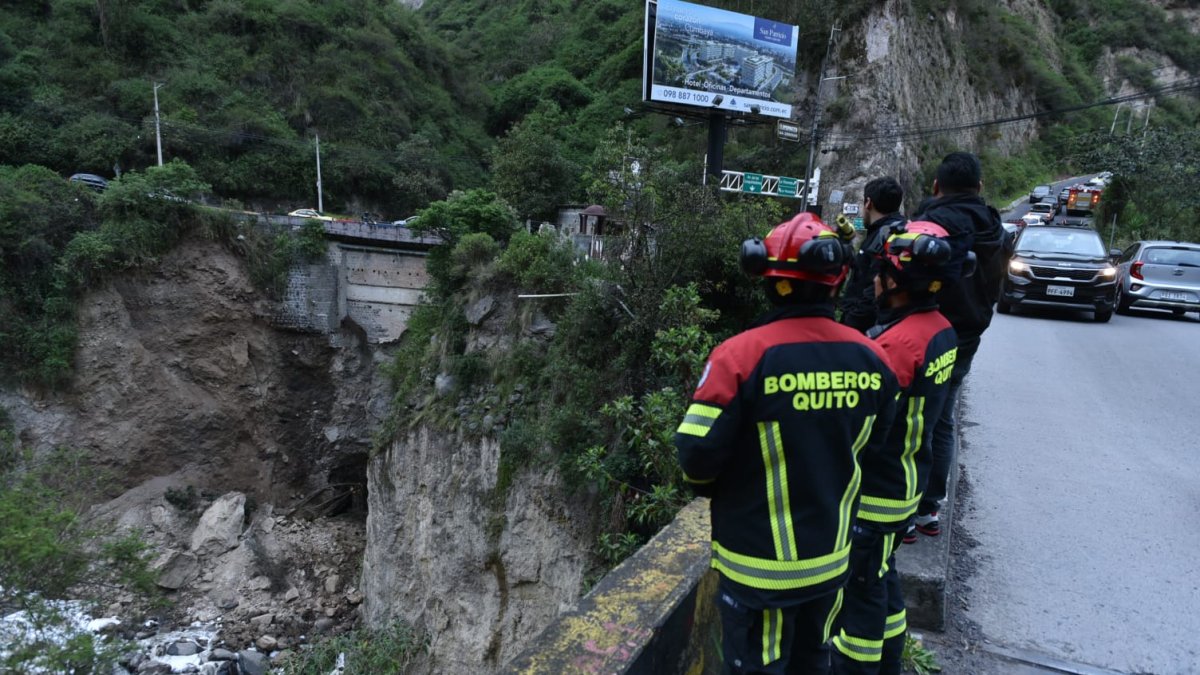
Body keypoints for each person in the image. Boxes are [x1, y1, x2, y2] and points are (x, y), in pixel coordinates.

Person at [675, 212, 901, 674]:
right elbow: (877, 444)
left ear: (766, 279)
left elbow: (696, 458)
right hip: (832, 559)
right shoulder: (874, 358)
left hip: (756, 566)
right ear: (838, 281)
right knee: (813, 661)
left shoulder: (739, 356)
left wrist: (717, 487)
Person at [830, 222, 964, 674]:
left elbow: (855, 428)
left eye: (880, 272)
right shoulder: (941, 330)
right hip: (908, 480)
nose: (872, 280)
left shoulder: (894, 347)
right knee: (883, 578)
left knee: (860, 591)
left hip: (875, 492)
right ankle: (890, 659)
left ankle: (858, 667)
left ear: (896, 283)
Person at [910, 152, 1007, 539]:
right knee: (943, 416)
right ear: (980, 188)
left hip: (923, 332)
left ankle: (903, 505)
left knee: (912, 417)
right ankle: (929, 508)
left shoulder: (929, 223)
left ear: (936, 186)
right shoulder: (996, 228)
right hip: (968, 334)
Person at [841, 178, 908, 333]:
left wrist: (849, 326)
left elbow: (871, 295)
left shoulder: (882, 238)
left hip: (865, 331)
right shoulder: (900, 231)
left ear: (868, 203)